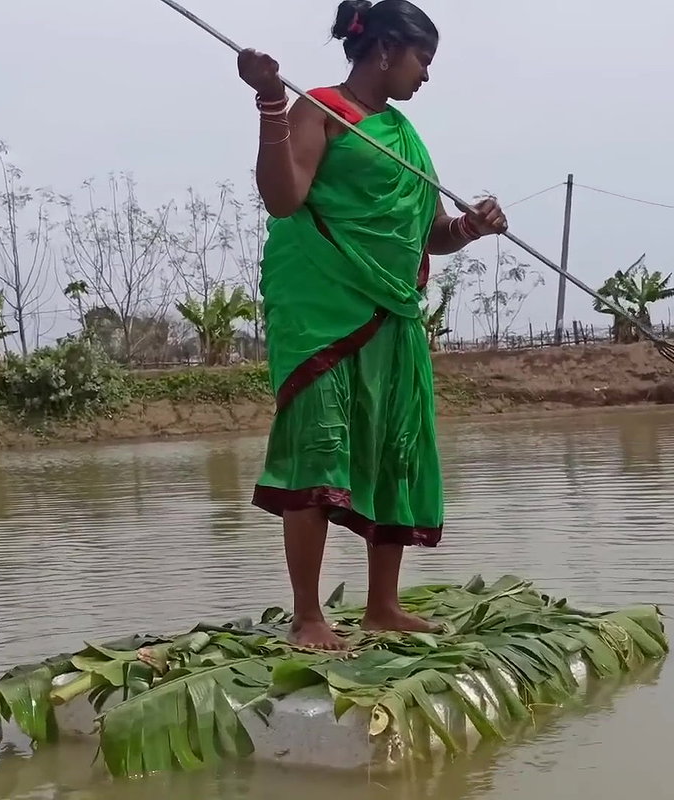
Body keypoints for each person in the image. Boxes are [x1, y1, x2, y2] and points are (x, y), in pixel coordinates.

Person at [237, 0, 508, 650]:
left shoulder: (407, 137)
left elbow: (429, 234)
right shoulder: (320, 110)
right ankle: (308, 615)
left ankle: (383, 604)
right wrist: (272, 102)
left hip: (394, 315)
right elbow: (283, 199)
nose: (427, 75)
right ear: (385, 50)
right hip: (324, 315)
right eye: (423, 60)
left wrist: (470, 228)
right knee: (320, 448)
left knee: (396, 449)